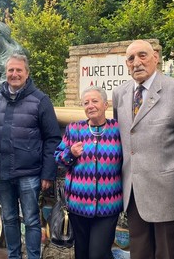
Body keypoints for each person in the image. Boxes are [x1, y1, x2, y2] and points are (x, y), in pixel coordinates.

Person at [112, 40, 174, 259]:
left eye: (142, 55)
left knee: (170, 254)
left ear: (156, 57)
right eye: (131, 58)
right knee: (139, 254)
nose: (136, 62)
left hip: (168, 196)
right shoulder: (120, 94)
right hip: (134, 194)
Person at [0, 53, 61, 259]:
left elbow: (53, 139)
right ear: (6, 73)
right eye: (11, 70)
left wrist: (48, 173)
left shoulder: (40, 100)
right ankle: (13, 256)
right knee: (9, 218)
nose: (14, 74)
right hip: (2, 173)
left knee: (31, 219)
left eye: (19, 70)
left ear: (27, 73)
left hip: (30, 173)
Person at [55, 86, 123, 259]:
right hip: (78, 204)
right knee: (82, 253)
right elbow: (58, 158)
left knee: (98, 254)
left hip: (109, 205)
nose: (90, 105)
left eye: (95, 101)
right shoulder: (74, 129)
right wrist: (70, 153)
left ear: (105, 104)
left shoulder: (118, 130)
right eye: (86, 103)